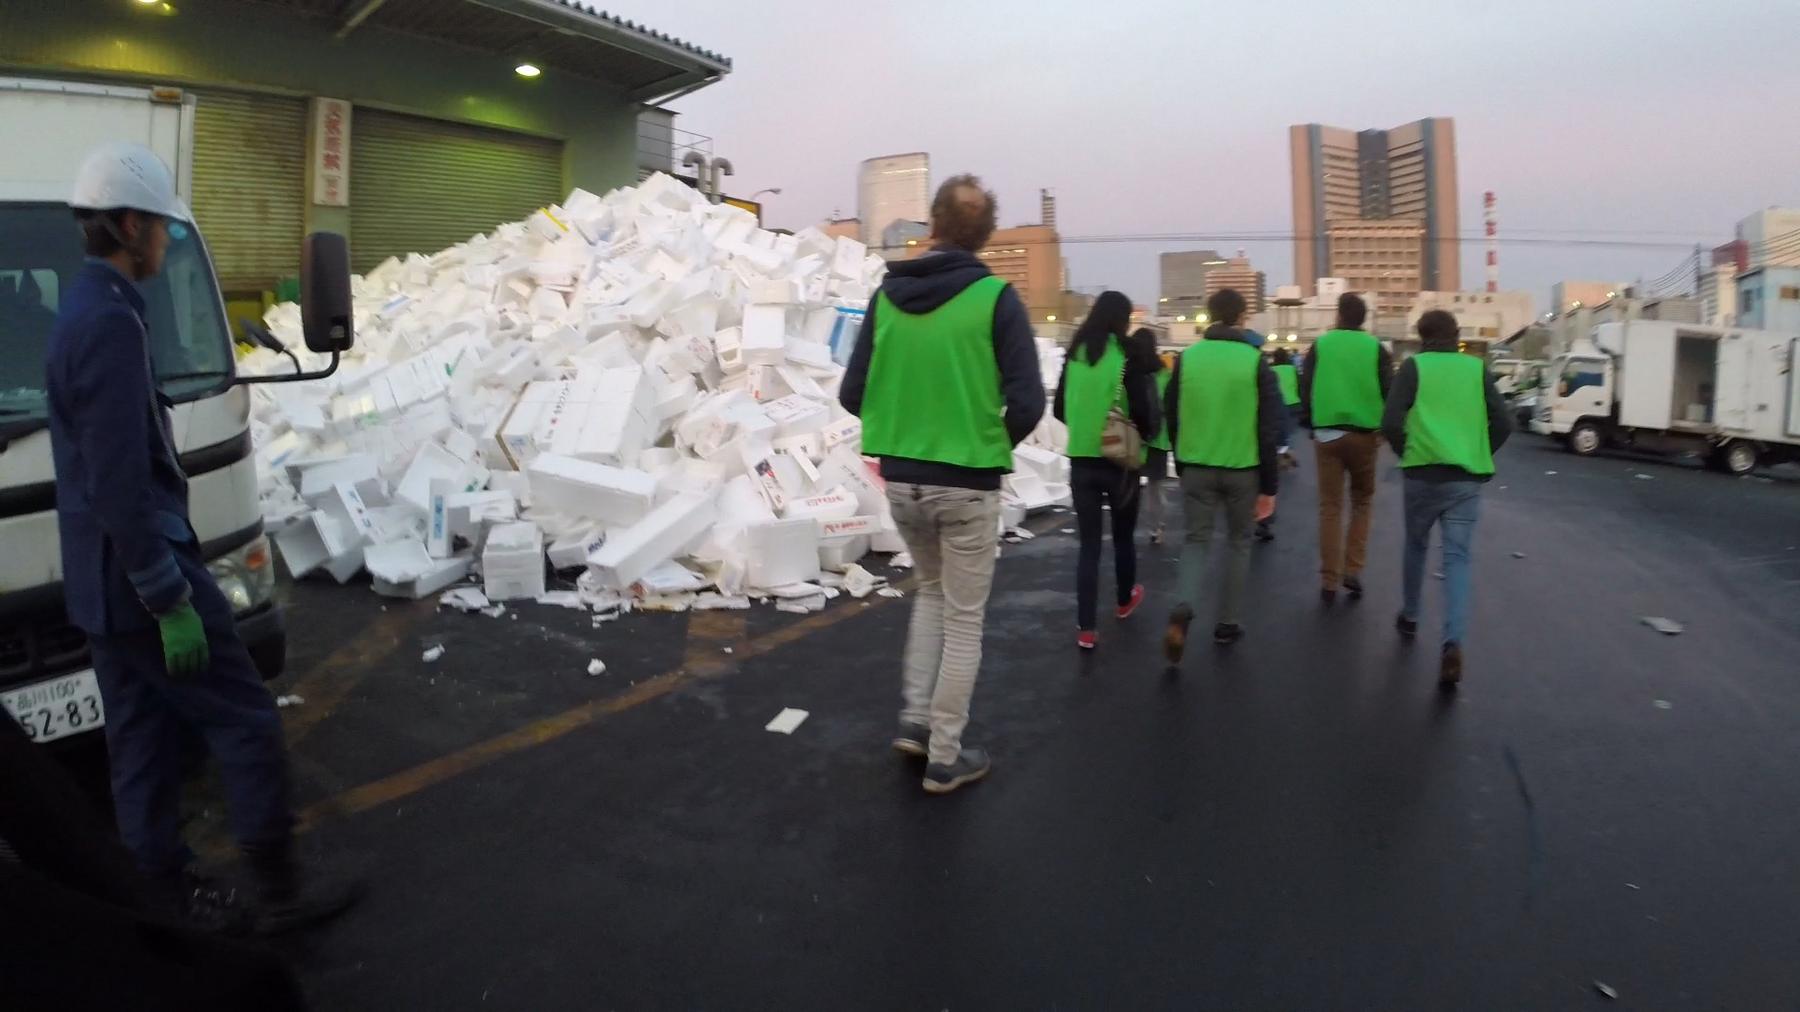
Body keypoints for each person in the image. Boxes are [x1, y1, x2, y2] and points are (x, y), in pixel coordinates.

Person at [45, 142, 361, 933]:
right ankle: (280, 893)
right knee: (245, 719)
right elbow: (119, 481)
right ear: (127, 225)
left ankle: (158, 893)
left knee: (141, 741)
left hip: (98, 588)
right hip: (144, 581)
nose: (163, 241)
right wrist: (167, 596)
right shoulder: (111, 325)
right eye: (157, 227)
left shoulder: (82, 311)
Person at [840, 173, 1045, 794]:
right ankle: (946, 754)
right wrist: (986, 445)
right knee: (964, 617)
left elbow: (853, 393)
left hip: (901, 482)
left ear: (931, 226)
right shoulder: (996, 300)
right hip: (967, 484)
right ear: (985, 237)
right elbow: (1030, 402)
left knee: (929, 597)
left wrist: (905, 428)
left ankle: (914, 723)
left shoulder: (885, 297)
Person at [1382, 310, 1512, 687]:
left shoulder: (1413, 368)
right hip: (1465, 479)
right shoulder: (1476, 370)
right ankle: (1452, 641)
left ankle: (1409, 614)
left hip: (1422, 474)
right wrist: (1479, 451)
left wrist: (1407, 450)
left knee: (1416, 544)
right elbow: (1504, 422)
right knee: (1457, 559)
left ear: (1422, 337)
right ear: (1456, 335)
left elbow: (1390, 421)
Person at [1161, 289, 1283, 662]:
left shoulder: (1189, 358)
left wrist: (1181, 459)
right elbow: (1269, 426)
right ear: (1242, 317)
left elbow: (1172, 411)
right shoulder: (1254, 361)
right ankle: (1227, 623)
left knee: (1196, 541)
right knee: (1238, 542)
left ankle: (1183, 609)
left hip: (1196, 464)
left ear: (1210, 315)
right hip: (1242, 468)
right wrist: (1269, 485)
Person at [1053, 296, 1159, 650]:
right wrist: (1140, 434)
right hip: (1121, 461)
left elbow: (1059, 409)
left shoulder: (1075, 355)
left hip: (1081, 460)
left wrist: (1085, 428)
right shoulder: (1128, 355)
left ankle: (1086, 628)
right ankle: (1125, 599)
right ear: (1122, 320)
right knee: (1124, 537)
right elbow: (1144, 409)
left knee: (1088, 545)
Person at [1301, 292, 1394, 605]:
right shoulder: (1377, 349)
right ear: (1363, 319)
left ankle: (1329, 578)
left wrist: (1310, 423)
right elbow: (1389, 392)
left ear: (1338, 315)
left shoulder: (1321, 345)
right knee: (1362, 502)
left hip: (1327, 434)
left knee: (1330, 506)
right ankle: (1352, 570)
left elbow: (1306, 385)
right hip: (1365, 435)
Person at [1133, 330, 1177, 546]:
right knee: (1155, 487)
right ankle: (1156, 527)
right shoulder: (1164, 372)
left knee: (1128, 485)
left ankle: (1126, 525)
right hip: (1158, 438)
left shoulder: (1129, 370)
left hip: (1131, 438)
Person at [1255, 347, 1304, 542]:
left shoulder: (1269, 373)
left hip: (1244, 441)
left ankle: (1284, 451)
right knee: (1284, 433)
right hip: (1291, 406)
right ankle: (1284, 450)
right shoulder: (1291, 371)